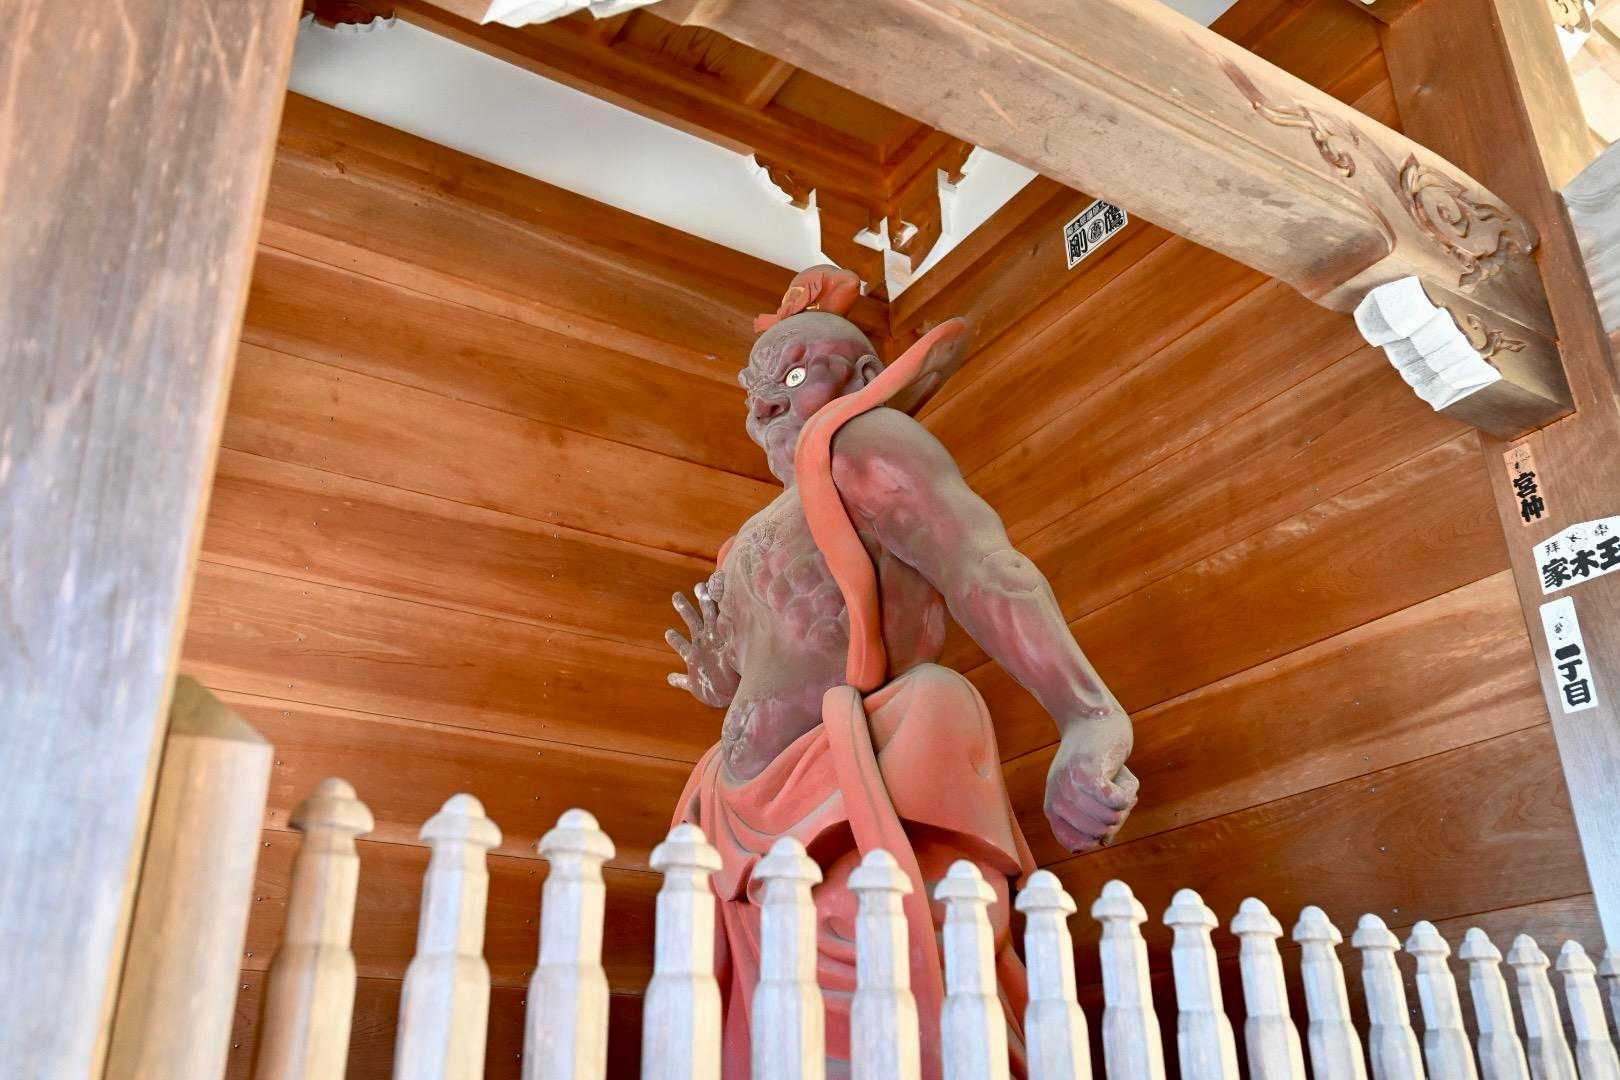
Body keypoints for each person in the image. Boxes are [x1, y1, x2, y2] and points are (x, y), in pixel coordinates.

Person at [665, 265, 1137, 1078]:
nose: (765, 405)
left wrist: (1087, 715)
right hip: (733, 809)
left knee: (878, 1014)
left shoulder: (861, 444)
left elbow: (981, 566)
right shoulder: (751, 535)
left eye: (793, 378)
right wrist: (728, 684)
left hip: (849, 787)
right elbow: (783, 653)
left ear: (861, 378)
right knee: (758, 1032)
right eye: (754, 390)